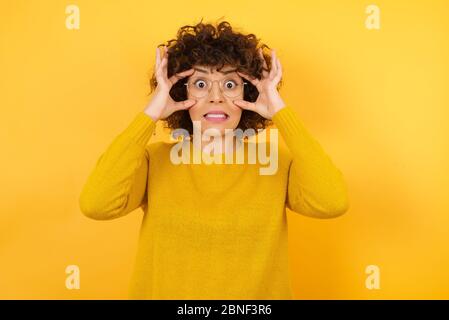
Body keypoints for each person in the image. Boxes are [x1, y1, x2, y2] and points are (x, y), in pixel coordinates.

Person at [79, 20, 349, 299]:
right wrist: (150, 114)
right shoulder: (153, 160)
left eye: (230, 84)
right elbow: (97, 204)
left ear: (249, 93)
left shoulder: (275, 163)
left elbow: (332, 202)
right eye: (200, 84)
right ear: (181, 93)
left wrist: (280, 111)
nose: (216, 97)